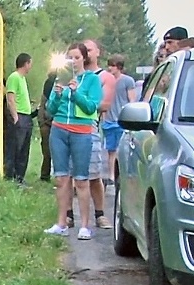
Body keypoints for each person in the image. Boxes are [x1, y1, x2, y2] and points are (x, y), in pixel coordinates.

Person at [43, 42, 103, 241]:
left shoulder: (92, 80)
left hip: (81, 131)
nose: (73, 61)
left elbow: (91, 107)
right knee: (61, 178)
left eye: (77, 57)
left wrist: (76, 93)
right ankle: (61, 223)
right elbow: (50, 109)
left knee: (81, 179)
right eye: (70, 57)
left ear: (84, 58)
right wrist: (58, 96)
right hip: (59, 130)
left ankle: (85, 225)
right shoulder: (60, 78)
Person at [76, 38, 113, 229]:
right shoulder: (71, 75)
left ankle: (100, 214)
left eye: (90, 50)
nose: (87, 53)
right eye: (84, 50)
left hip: (90, 128)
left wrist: (83, 100)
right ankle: (67, 215)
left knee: (94, 175)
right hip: (69, 128)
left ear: (98, 52)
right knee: (66, 175)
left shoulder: (104, 77)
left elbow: (105, 104)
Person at [103, 54, 138, 183]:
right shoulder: (106, 81)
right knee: (111, 150)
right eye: (109, 65)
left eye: (112, 66)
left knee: (122, 149)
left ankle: (124, 176)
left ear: (119, 67)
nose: (110, 68)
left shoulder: (127, 81)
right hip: (108, 120)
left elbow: (132, 99)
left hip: (121, 120)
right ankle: (111, 175)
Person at [4, 53, 34, 186]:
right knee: (15, 147)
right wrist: (15, 117)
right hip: (19, 116)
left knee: (24, 149)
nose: (30, 67)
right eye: (30, 63)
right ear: (26, 63)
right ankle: (11, 176)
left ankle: (20, 177)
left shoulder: (22, 78)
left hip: (26, 116)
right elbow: (10, 98)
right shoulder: (14, 77)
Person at [37, 71, 57, 182]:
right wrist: (42, 122)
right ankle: (45, 175)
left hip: (59, 121)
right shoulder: (48, 84)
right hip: (46, 122)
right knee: (47, 150)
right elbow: (42, 103)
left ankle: (61, 175)